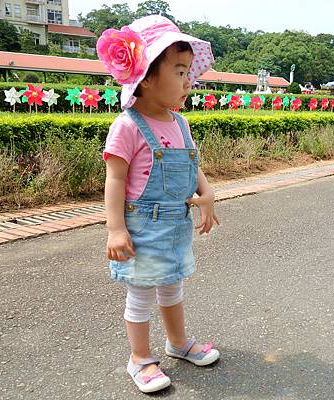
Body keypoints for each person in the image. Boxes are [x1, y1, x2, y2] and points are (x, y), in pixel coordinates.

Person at [96, 15, 220, 393]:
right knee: (141, 293)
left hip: (176, 224)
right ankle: (140, 358)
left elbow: (193, 164)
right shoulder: (128, 125)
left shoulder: (181, 124)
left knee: (172, 287)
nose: (189, 81)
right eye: (180, 71)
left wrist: (207, 194)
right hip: (143, 228)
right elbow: (115, 180)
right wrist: (115, 229)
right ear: (146, 76)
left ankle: (178, 343)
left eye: (189, 72)